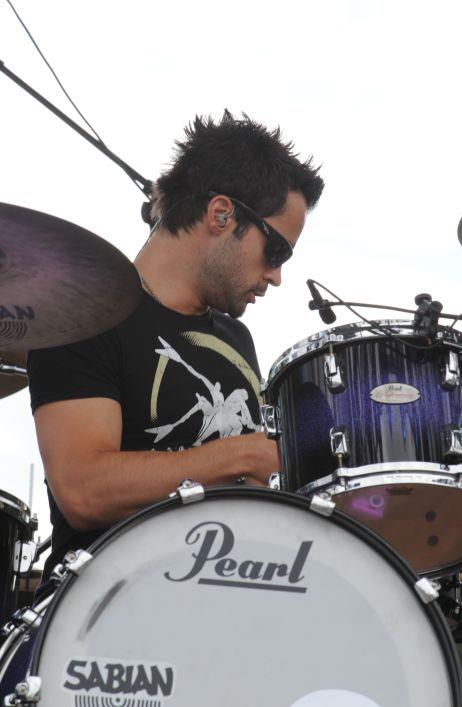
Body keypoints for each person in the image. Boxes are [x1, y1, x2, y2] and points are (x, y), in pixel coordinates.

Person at [27, 110, 324, 589]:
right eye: (276, 252)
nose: (276, 276)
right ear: (221, 214)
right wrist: (240, 457)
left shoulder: (236, 338)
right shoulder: (87, 318)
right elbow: (82, 490)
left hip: (230, 596)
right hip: (106, 607)